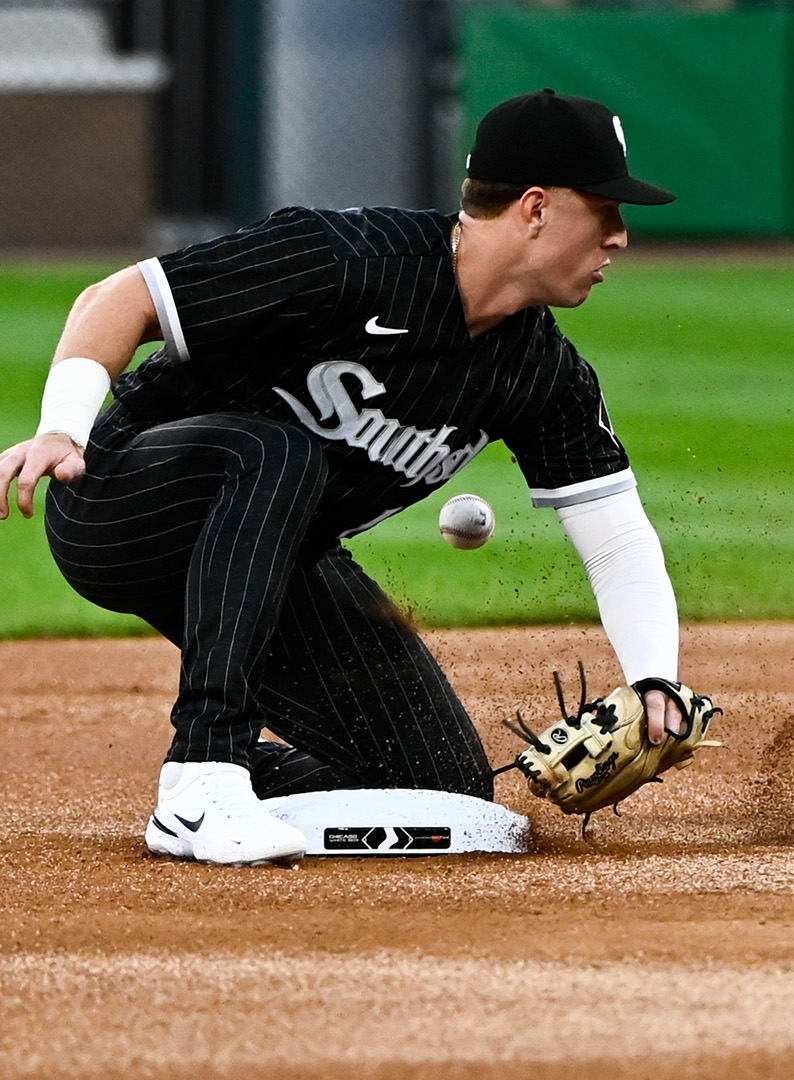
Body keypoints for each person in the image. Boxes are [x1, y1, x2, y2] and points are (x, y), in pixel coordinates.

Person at [0, 90, 692, 865]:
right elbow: (122, 297)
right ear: (535, 208)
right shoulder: (346, 259)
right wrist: (62, 426)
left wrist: (655, 682)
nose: (621, 237)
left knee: (439, 788)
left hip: (268, 554)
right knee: (280, 453)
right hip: (121, 499)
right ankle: (201, 777)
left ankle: (249, 783)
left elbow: (617, 540)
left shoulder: (540, 373)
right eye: (605, 210)